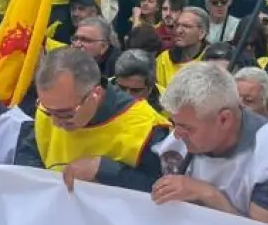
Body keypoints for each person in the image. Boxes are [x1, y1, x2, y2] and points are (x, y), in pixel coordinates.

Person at [151, 63, 268, 225]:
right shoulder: (179, 140)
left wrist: (208, 195)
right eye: (175, 123)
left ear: (224, 119)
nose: (177, 134)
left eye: (187, 127)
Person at [16, 47, 168, 191]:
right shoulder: (49, 109)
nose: (55, 123)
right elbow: (28, 156)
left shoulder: (148, 127)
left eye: (66, 113)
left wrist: (105, 169)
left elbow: (162, 189)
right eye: (48, 110)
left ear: (95, 94)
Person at [155, 7, 209, 87]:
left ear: (202, 33)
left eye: (186, 26)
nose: (178, 31)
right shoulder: (164, 59)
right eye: (177, 25)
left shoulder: (212, 60)